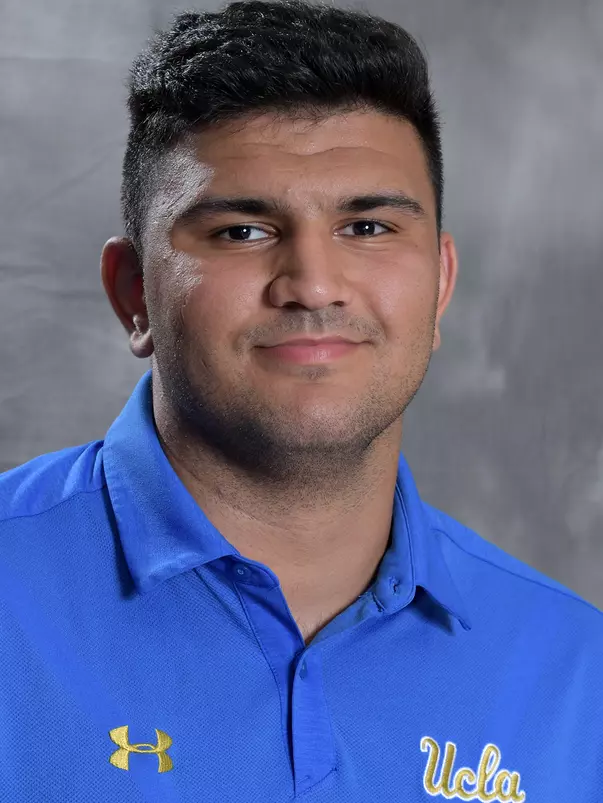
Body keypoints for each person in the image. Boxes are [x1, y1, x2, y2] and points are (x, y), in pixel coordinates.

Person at [0, 1, 601, 800]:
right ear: (133, 294)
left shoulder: (572, 668)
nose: (313, 284)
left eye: (369, 226)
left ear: (441, 283)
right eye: (241, 231)